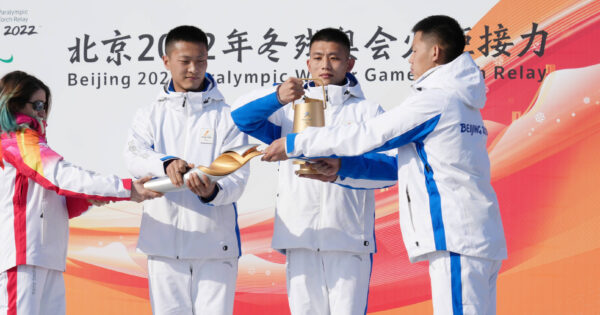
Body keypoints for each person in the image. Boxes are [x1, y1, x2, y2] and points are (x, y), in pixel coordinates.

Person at [263, 16, 507, 315]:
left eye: (414, 50)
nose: (409, 59)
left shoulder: (436, 100)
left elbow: (372, 134)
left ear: (435, 53)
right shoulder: (463, 99)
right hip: (475, 235)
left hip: (456, 235)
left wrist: (295, 144)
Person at [232, 28, 397, 315]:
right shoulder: (288, 109)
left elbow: (392, 168)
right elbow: (240, 117)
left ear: (350, 63)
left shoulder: (368, 113)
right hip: (299, 234)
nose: (325, 65)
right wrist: (277, 97)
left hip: (348, 238)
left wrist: (342, 168)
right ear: (307, 63)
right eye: (317, 57)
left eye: (334, 58)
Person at [0, 70, 161, 315]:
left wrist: (88, 197)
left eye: (46, 106)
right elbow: (62, 177)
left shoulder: (31, 144)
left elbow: (54, 204)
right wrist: (126, 188)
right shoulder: (16, 140)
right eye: (38, 105)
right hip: (23, 257)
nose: (43, 112)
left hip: (47, 257)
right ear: (14, 105)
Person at [124, 25, 249, 315]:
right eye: (185, 61)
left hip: (215, 247)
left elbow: (239, 176)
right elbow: (134, 156)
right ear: (166, 62)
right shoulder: (149, 114)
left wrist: (213, 191)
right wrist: (166, 163)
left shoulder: (228, 117)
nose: (194, 69)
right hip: (163, 244)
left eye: (201, 61)